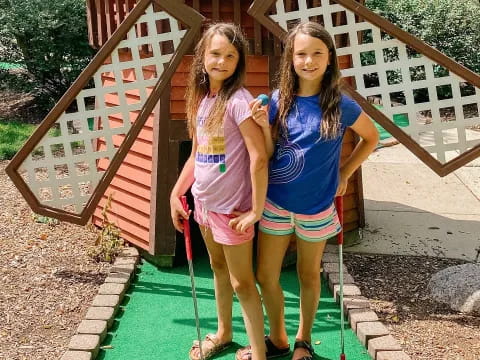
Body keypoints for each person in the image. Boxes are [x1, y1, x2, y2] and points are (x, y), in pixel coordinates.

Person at [237, 21, 379, 360]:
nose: (309, 61)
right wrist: (261, 124)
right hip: (275, 203)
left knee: (307, 274)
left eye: (317, 53)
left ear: (329, 58)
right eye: (301, 53)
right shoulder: (277, 100)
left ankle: (303, 341)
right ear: (290, 59)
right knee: (265, 275)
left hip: (316, 207)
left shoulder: (341, 105)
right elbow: (270, 152)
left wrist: (345, 171)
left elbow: (371, 138)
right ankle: (279, 336)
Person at [169, 23, 268, 360]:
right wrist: (175, 194)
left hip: (232, 211)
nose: (221, 61)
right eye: (215, 53)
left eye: (230, 55)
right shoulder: (202, 100)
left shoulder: (240, 101)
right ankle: (224, 332)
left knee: (242, 282)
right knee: (218, 268)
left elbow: (258, 156)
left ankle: (258, 353)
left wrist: (255, 209)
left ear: (238, 62)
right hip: (204, 206)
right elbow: (198, 154)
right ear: (203, 56)